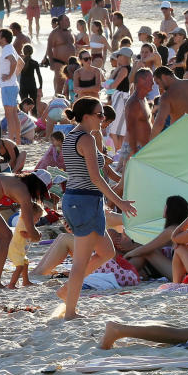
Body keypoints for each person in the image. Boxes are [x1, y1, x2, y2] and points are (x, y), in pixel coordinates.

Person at [60, 97, 136, 320]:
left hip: (82, 201)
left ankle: (67, 292)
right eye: (100, 115)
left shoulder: (74, 136)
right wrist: (119, 202)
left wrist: (121, 178)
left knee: (107, 252)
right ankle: (70, 311)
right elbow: (95, 178)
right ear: (86, 117)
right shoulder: (85, 139)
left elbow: (101, 168)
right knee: (80, 262)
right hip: (83, 202)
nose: (103, 119)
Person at [123, 195, 188, 280]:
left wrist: (126, 256)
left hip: (181, 276)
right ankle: (125, 272)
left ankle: (122, 273)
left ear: (170, 210)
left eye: (166, 206)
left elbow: (147, 248)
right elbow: (153, 246)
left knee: (149, 252)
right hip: (184, 272)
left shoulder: (172, 230)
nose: (164, 208)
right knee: (146, 252)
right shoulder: (180, 228)